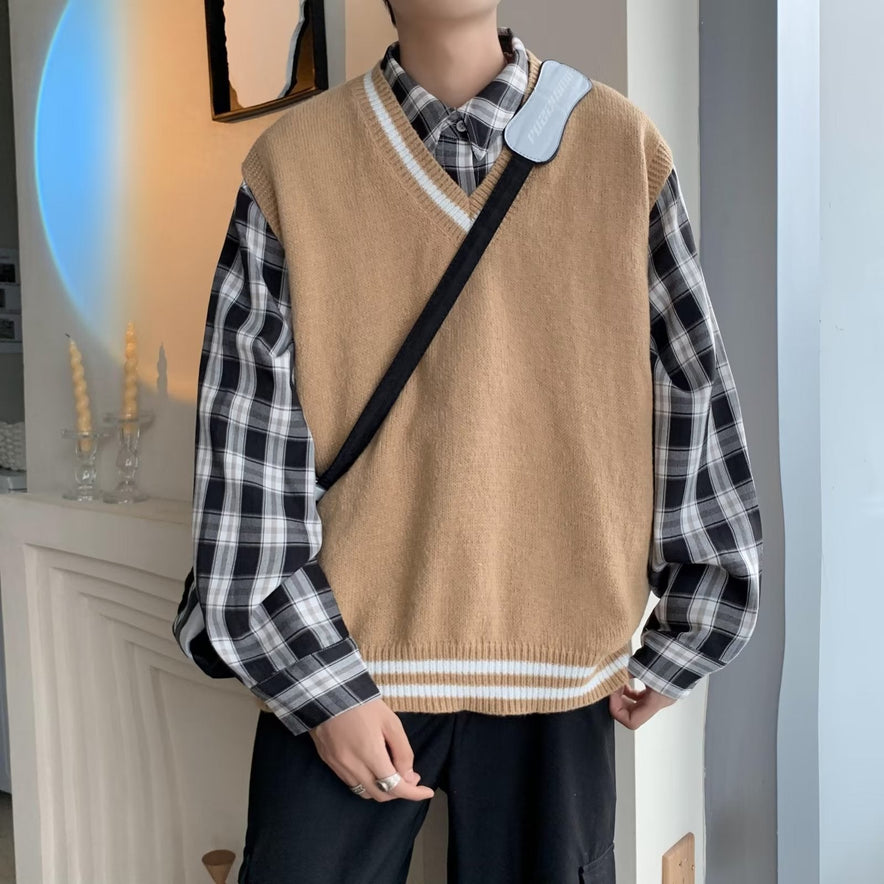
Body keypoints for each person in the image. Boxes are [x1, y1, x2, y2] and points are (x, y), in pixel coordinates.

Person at [173, 1, 763, 881]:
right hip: (345, 655)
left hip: (556, 668)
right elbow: (246, 438)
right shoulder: (292, 164)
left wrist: (697, 616)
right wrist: (319, 684)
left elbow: (693, 391)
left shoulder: (620, 148)